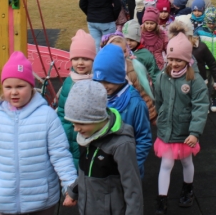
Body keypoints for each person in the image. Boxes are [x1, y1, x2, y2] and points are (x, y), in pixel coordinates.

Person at [0, 51, 77, 215]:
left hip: (42, 200)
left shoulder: (46, 116)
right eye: (8, 87)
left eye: (20, 86)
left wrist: (70, 185)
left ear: (31, 87)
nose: (14, 92)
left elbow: (60, 153)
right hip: (6, 200)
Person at [64, 80, 144, 214]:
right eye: (73, 123)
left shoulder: (121, 144)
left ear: (97, 117)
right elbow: (84, 172)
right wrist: (73, 191)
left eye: (81, 123)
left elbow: (132, 188)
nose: (76, 129)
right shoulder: (86, 136)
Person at [153, 33, 209, 215]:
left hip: (185, 131)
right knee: (166, 164)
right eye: (171, 59)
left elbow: (200, 107)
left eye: (178, 60)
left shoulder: (194, 80)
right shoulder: (162, 77)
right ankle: (162, 198)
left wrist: (194, 132)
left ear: (187, 59)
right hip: (167, 130)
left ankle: (187, 188)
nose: (174, 63)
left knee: (186, 161)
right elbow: (158, 100)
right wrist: (160, 116)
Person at [92, 44, 153, 178]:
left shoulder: (135, 104)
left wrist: (131, 168)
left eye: (108, 81)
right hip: (104, 170)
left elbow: (144, 140)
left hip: (127, 172)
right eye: (99, 81)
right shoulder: (98, 98)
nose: (103, 86)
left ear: (119, 76)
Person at [57, 29, 97, 168]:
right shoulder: (69, 83)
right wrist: (63, 133)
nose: (80, 63)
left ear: (93, 59)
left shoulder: (97, 81)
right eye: (75, 59)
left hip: (92, 133)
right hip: (72, 133)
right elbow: (62, 111)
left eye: (85, 59)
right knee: (74, 163)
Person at [168, 19, 216, 113]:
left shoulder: (200, 47)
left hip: (199, 80)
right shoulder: (173, 48)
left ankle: (202, 110)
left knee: (199, 100)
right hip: (180, 80)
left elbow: (212, 63)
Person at [107, 35, 158, 122]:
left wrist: (151, 115)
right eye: (118, 52)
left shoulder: (132, 69)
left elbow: (143, 93)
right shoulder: (106, 71)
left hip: (134, 113)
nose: (122, 55)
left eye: (124, 51)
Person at [123, 19, 160, 84]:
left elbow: (154, 74)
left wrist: (157, 86)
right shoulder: (122, 52)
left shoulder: (146, 55)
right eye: (126, 40)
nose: (128, 43)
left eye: (132, 40)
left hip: (142, 85)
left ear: (138, 39)